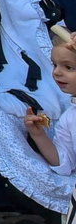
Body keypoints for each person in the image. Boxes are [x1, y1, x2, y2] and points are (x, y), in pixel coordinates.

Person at [24, 25, 76, 174]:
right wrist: (38, 135)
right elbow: (64, 163)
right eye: (55, 65)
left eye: (68, 67)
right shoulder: (68, 119)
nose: (57, 72)